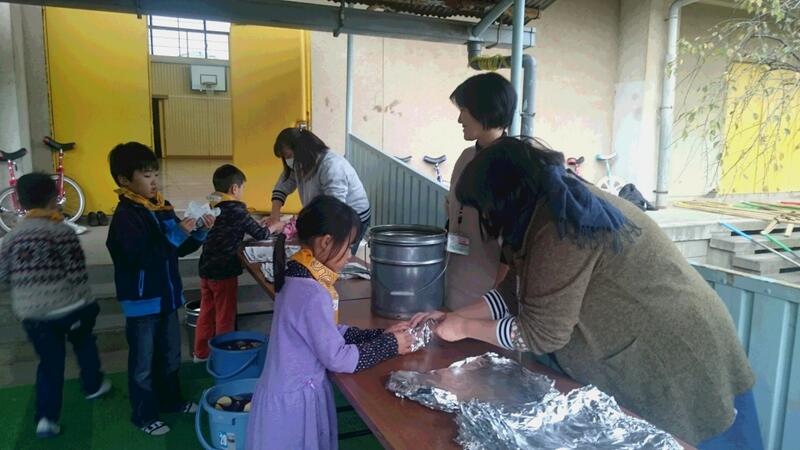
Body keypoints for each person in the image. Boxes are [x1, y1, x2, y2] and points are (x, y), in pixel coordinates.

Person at [410, 137, 761, 449]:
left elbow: (541, 333)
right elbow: (513, 292)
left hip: (677, 355)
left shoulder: (560, 226)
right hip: (648, 344)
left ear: (503, 199)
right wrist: (454, 317)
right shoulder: (540, 212)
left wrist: (464, 328)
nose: (485, 216)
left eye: (484, 207)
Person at [246, 195, 412, 450]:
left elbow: (328, 332)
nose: (349, 256)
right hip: (294, 407)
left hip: (287, 395)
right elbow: (338, 358)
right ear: (325, 242)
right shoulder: (312, 292)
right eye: (348, 247)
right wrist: (390, 345)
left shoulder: (297, 272)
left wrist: (379, 334)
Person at [106, 142, 216, 436]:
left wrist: (200, 232)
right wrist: (177, 234)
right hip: (142, 301)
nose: (154, 181)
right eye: (146, 176)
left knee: (170, 355)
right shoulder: (126, 217)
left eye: (155, 174)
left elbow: (176, 250)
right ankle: (143, 415)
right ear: (124, 180)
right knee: (143, 364)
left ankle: (171, 401)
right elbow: (141, 258)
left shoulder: (162, 207)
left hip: (167, 296)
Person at [0, 173, 110, 438]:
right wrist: (89, 304)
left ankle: (46, 419)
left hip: (33, 315)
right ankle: (93, 385)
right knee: (84, 343)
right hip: (68, 307)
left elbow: (3, 275)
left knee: (50, 365)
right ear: (55, 199)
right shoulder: (62, 232)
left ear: (19, 202)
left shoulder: (12, 237)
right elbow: (77, 274)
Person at [445, 73, 516, 310]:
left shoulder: (512, 166)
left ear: (486, 110)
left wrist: (496, 299)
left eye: (464, 109)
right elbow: (454, 214)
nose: (459, 119)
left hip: (488, 299)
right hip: (453, 284)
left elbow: (513, 245)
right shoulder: (466, 157)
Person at [194, 164, 272, 362]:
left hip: (206, 268)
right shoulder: (236, 209)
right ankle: (225, 356)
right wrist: (276, 225)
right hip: (224, 271)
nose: (242, 192)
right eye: (242, 188)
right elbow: (261, 234)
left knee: (206, 312)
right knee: (225, 315)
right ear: (234, 188)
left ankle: (201, 352)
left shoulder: (212, 205)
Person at [267, 128, 370, 255]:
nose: (287, 161)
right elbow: (283, 185)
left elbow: (333, 210)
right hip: (326, 213)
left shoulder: (332, 166)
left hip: (350, 218)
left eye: (288, 156)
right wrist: (274, 216)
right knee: (317, 253)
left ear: (301, 150)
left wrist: (287, 226)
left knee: (334, 256)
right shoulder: (300, 163)